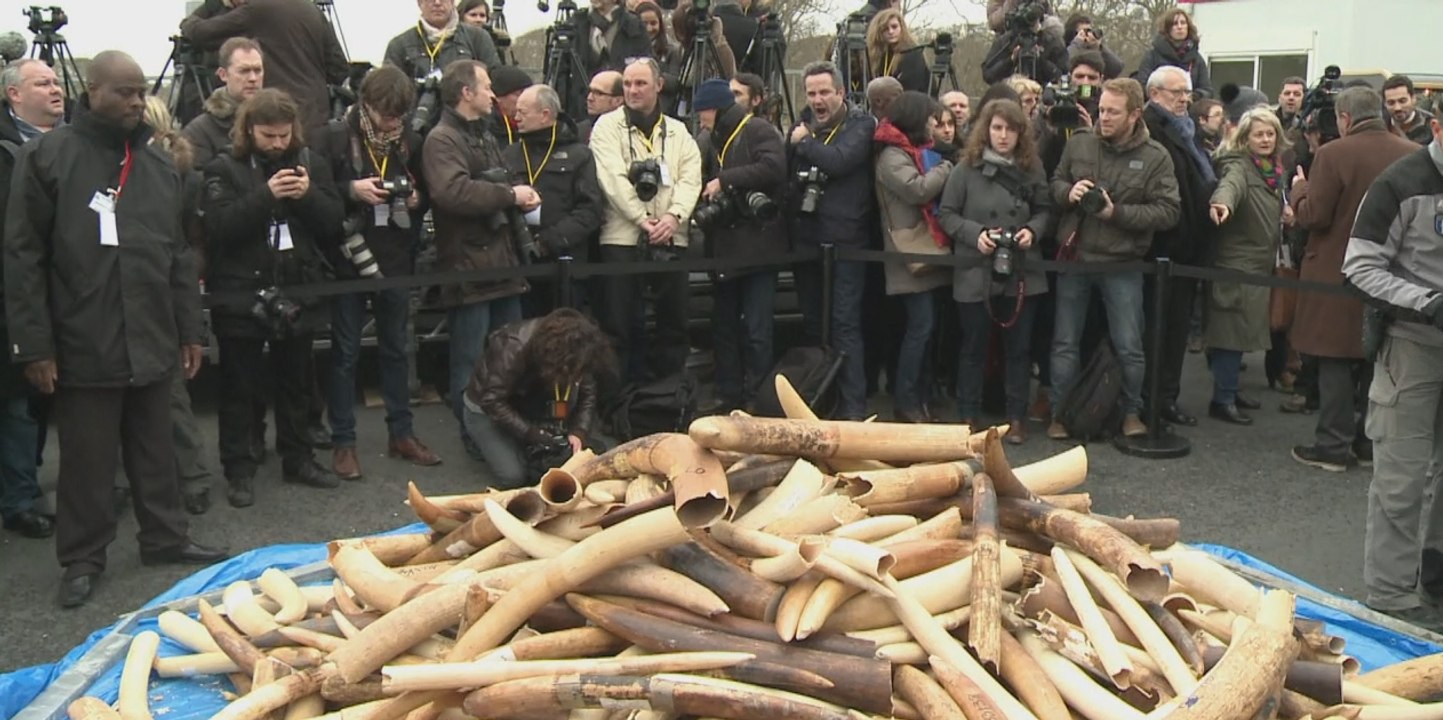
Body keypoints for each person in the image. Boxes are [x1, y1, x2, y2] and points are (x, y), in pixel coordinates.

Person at [5, 51, 227, 608]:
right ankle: (82, 557)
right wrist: (33, 345)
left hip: (151, 332)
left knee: (157, 448)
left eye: (139, 92)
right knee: (87, 458)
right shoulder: (47, 158)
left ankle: (165, 537)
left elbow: (177, 255)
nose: (134, 102)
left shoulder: (155, 167)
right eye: (123, 92)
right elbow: (23, 256)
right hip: (82, 337)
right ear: (93, 91)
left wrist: (189, 331)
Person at [202, 88, 344, 506]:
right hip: (241, 291)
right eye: (268, 136)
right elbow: (219, 228)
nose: (278, 144)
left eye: (284, 135)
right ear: (249, 130)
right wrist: (267, 195)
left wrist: (307, 196)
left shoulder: (309, 163)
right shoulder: (222, 167)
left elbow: (334, 223)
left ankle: (298, 458)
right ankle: (239, 468)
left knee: (297, 381)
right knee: (239, 387)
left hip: (297, 286)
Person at [1343, 114, 1443, 632]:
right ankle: (1389, 598)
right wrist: (1426, 302)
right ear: (1437, 126)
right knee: (1400, 478)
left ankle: (1436, 576)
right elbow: (1359, 266)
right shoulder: (1401, 183)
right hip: (1411, 343)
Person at [317, 66, 441, 481]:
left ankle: (402, 434)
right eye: (387, 115)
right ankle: (343, 443)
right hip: (347, 258)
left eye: (399, 116)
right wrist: (352, 191)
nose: (393, 123)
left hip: (395, 256)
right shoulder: (334, 135)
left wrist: (417, 197)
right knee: (345, 354)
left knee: (396, 349)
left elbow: (425, 196)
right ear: (365, 105)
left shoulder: (411, 140)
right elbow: (314, 196)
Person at [1289, 86, 1417, 472]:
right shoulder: (1411, 153)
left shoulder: (1332, 153)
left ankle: (1332, 445)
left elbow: (1316, 215)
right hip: (1393, 271)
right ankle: (1367, 442)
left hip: (1336, 270)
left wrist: (1298, 191)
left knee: (1334, 359)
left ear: (1344, 119)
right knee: (1375, 360)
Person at [1048, 78, 1181, 440]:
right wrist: (1068, 192)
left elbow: (1169, 212)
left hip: (1123, 262)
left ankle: (1131, 413)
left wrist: (1115, 213)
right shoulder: (1079, 144)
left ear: (1135, 114)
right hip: (1075, 257)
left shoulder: (1156, 156)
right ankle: (1059, 414)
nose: (1103, 117)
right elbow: (1054, 183)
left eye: (1112, 112)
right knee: (1064, 341)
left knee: (1129, 344)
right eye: (1101, 109)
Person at [421, 59, 536, 454]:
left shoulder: (482, 134)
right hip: (469, 269)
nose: (493, 93)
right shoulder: (441, 139)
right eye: (486, 86)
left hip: (502, 263)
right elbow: (451, 192)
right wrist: (510, 196)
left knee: (511, 357)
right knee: (470, 362)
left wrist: (518, 191)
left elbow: (496, 181)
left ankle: (508, 431)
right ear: (465, 92)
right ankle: (474, 438)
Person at [939, 98, 1050, 442]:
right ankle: (968, 416)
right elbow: (947, 213)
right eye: (997, 128)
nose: (1003, 136)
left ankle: (1016, 417)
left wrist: (1033, 230)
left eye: (1010, 129)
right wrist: (977, 235)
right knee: (973, 346)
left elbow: (1046, 210)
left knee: (1019, 350)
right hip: (977, 271)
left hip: (1021, 271)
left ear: (1021, 133)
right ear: (986, 131)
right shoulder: (965, 169)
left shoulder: (1032, 168)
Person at [590, 57, 702, 384]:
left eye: (640, 83)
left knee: (674, 322)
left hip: (671, 237)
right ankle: (621, 399)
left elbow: (690, 178)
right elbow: (610, 179)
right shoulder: (607, 126)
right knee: (621, 324)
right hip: (622, 238)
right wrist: (642, 220)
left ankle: (671, 395)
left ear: (658, 86)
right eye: (627, 84)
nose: (633, 90)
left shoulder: (678, 131)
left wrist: (673, 216)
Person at [141, 96, 220, 517]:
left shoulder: (183, 180)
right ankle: (136, 483)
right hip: (134, 298)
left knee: (172, 397)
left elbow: (187, 249)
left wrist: (190, 328)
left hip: (164, 299)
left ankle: (192, 479)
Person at [787, 61, 877, 420]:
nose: (817, 100)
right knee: (813, 324)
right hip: (807, 238)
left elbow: (840, 161)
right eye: (811, 93)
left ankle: (853, 408)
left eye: (824, 92)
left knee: (844, 324)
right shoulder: (802, 126)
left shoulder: (860, 124)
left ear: (841, 93)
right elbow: (788, 175)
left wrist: (805, 143)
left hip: (846, 240)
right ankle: (817, 402)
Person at [693, 79, 787, 413]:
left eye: (701, 110)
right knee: (724, 327)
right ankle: (727, 393)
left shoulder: (758, 129)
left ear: (713, 108)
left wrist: (726, 180)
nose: (699, 118)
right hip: (724, 250)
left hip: (758, 249)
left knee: (757, 330)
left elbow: (775, 167)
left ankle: (759, 398)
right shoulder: (710, 138)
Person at [0, 58, 64, 540]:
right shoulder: (6, 149)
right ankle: (19, 499)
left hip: (63, 291)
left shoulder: (70, 144)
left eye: (57, 81)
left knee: (42, 401)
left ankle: (27, 487)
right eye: (43, 83)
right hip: (15, 291)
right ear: (14, 94)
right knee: (18, 402)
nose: (56, 89)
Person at [1141, 66, 1217, 429]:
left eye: (1187, 92)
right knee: (1158, 333)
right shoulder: (1151, 129)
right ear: (1154, 94)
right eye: (1176, 92)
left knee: (1176, 333)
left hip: (1188, 249)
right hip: (1163, 248)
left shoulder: (1188, 131)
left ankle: (1166, 398)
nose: (1185, 99)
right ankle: (1152, 402)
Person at [1204, 107, 1291, 425]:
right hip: (1237, 265)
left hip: (1258, 264)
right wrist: (1222, 203)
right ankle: (1222, 399)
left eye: (1270, 134)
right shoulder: (1238, 165)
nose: (1266, 139)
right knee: (1231, 335)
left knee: (1242, 334)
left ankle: (1230, 390)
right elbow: (1230, 187)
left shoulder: (1271, 169)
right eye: (1259, 134)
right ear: (1245, 138)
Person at [462, 309, 614, 488]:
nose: (579, 378)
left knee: (568, 454)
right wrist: (531, 433)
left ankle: (546, 437)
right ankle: (479, 439)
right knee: (514, 476)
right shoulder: (513, 345)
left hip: (535, 400)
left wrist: (578, 431)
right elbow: (492, 401)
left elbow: (588, 394)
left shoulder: (581, 351)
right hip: (486, 409)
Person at [873, 91, 953, 423]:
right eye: (931, 118)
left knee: (929, 329)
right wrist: (947, 168)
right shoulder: (892, 155)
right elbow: (917, 189)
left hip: (927, 248)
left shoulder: (916, 150)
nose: (935, 124)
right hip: (908, 254)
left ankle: (922, 396)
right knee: (920, 327)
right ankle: (906, 400)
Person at [501, 83, 604, 315]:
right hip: (520, 262)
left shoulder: (579, 154)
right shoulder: (509, 154)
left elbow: (590, 210)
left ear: (545, 114)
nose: (515, 118)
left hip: (565, 264)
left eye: (522, 112)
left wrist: (549, 241)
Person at [179, 0, 349, 131]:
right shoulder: (312, 10)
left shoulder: (257, 10)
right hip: (317, 120)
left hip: (274, 118)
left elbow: (201, 33)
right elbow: (339, 67)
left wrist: (194, 17)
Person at [183, 37, 264, 168]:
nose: (253, 78)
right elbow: (197, 182)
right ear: (223, 75)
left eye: (258, 70)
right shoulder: (200, 130)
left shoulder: (280, 119)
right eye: (244, 71)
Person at [1134, 8, 1212, 98]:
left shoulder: (1196, 59)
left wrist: (1191, 97)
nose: (1180, 27)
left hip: (1189, 108)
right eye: (1175, 24)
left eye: (1183, 23)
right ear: (1167, 28)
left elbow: (1207, 90)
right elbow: (1143, 86)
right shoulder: (1152, 56)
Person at [982, 9, 1068, 86]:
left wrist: (1040, 60)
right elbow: (989, 75)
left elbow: (1062, 77)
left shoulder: (1051, 41)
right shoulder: (1007, 41)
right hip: (1011, 96)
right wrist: (1011, 60)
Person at [575, 0, 651, 79]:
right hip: (583, 89)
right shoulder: (577, 22)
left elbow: (645, 64)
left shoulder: (634, 25)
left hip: (620, 87)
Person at [633, 2, 683, 113]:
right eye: (644, 23)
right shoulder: (628, 49)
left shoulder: (671, 50)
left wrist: (650, 75)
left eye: (653, 23)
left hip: (663, 109)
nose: (649, 28)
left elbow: (675, 83)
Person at [866, 9, 928, 94]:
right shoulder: (880, 55)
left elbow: (912, 87)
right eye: (885, 29)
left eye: (894, 27)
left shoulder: (912, 53)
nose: (891, 32)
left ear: (902, 28)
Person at [1063, 14, 1122, 80]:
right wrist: (1077, 43)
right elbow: (1063, 64)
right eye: (1085, 31)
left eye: (1089, 31)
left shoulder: (1094, 51)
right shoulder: (1065, 48)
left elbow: (1116, 68)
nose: (1088, 34)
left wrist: (1099, 47)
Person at [712, 0, 762, 76]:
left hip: (703, 84)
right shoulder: (753, 28)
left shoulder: (704, 24)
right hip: (740, 84)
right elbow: (760, 67)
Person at [488, 66, 534, 148]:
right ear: (498, 97)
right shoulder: (488, 128)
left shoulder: (531, 122)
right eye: (519, 93)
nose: (525, 98)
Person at [1383, 75, 1435, 146]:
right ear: (1385, 104)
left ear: (1413, 99)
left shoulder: (1431, 126)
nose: (1397, 108)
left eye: (1402, 101)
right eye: (1391, 103)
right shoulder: (1379, 126)